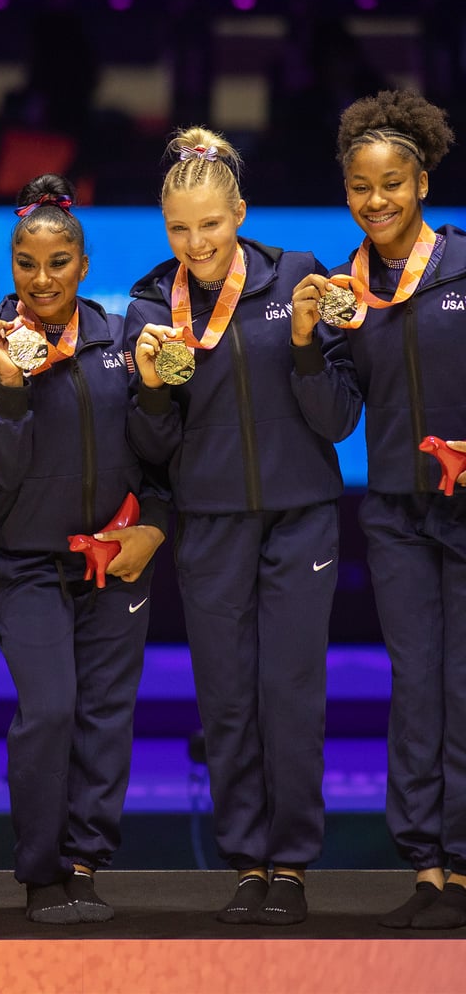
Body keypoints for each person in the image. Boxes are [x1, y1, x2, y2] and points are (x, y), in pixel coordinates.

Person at [126, 127, 356, 925]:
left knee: (291, 690)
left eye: (212, 225)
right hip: (212, 523)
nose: (197, 243)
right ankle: (247, 863)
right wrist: (151, 388)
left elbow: (337, 419)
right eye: (180, 229)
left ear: (241, 214)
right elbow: (150, 447)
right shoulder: (154, 303)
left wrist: (302, 346)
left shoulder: (299, 277)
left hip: (302, 518)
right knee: (226, 697)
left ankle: (290, 864)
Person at [0, 175, 167, 923]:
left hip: (116, 562)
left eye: (57, 262)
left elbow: (156, 453)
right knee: (49, 711)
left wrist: (155, 520)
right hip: (26, 563)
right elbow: (1, 470)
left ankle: (84, 863)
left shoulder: (117, 340)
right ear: (10, 264)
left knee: (106, 716)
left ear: (83, 264)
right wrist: (12, 386)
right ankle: (41, 871)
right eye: (25, 263)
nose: (40, 279)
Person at [291, 89, 466, 930]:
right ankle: (428, 865)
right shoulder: (341, 291)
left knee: (465, 684)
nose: (377, 200)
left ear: (423, 180)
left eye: (393, 182)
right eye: (361, 186)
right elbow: (338, 417)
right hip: (397, 513)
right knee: (417, 685)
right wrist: (306, 349)